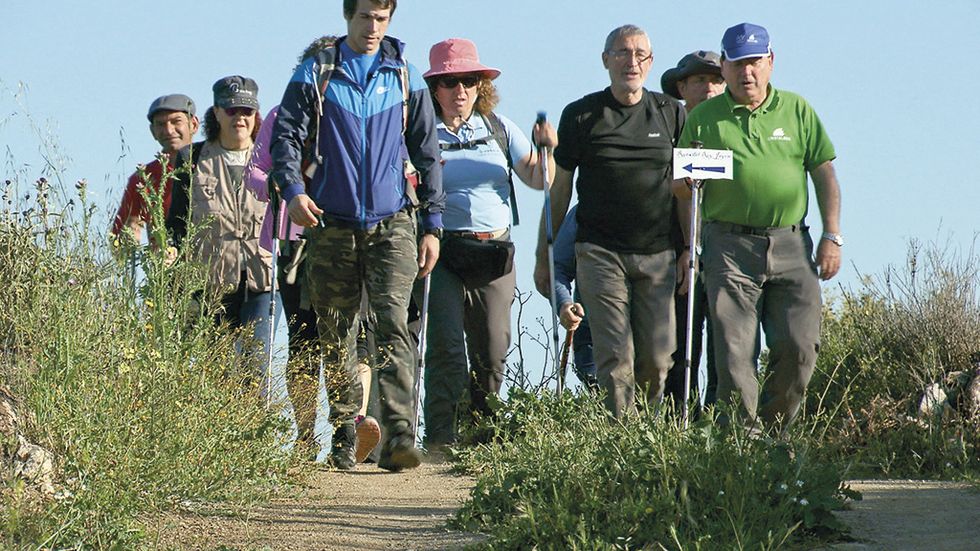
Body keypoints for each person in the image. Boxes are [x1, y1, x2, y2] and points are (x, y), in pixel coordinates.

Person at [270, 0, 444, 472]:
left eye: (382, 18)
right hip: (331, 224)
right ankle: (345, 431)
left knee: (392, 325)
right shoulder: (317, 72)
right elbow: (285, 137)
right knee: (336, 333)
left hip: (393, 223)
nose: (373, 27)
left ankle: (399, 434)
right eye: (365, 16)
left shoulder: (404, 75)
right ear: (348, 16)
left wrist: (433, 225)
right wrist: (292, 191)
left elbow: (427, 154)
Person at [675, 23, 842, 435]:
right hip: (728, 244)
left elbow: (824, 174)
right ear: (725, 66)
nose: (746, 72)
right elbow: (680, 188)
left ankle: (774, 437)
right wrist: (689, 188)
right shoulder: (703, 118)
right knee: (734, 352)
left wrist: (831, 235)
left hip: (791, 242)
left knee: (799, 347)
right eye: (737, 63)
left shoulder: (797, 110)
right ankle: (742, 447)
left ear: (770, 62)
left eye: (754, 62)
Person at [535, 25, 687, 418]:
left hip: (659, 254)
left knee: (656, 360)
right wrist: (544, 254)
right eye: (621, 53)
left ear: (651, 62)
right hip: (599, 253)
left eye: (639, 54)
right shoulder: (582, 114)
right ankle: (621, 447)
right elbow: (559, 189)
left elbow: (687, 190)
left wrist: (689, 249)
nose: (630, 61)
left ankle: (647, 438)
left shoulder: (672, 113)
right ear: (605, 60)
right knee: (615, 355)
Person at [419, 38, 556, 448]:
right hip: (441, 251)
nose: (460, 90)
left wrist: (548, 150)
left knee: (493, 349)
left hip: (493, 252)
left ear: (481, 85)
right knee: (444, 346)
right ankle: (441, 438)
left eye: (469, 80)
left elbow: (538, 179)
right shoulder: (422, 133)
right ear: (435, 88)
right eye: (450, 82)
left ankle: (480, 435)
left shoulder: (499, 127)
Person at [248, 100, 381, 464]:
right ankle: (306, 437)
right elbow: (254, 172)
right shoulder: (282, 115)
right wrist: (283, 186)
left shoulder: (365, 110)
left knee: (354, 336)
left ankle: (349, 431)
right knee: (305, 340)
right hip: (296, 242)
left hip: (354, 237)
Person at [166, 76, 282, 393]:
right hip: (211, 282)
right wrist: (171, 252)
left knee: (255, 369)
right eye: (232, 111)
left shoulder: (273, 157)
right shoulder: (191, 159)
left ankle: (254, 435)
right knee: (218, 373)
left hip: (263, 280)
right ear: (216, 113)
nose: (240, 118)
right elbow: (177, 222)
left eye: (247, 110)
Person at [660, 50, 726, 411]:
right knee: (680, 340)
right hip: (674, 251)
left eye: (717, 79)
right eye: (700, 80)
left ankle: (718, 418)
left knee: (725, 337)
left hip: (726, 247)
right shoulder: (665, 131)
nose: (710, 88)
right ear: (682, 87)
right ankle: (678, 418)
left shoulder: (732, 131)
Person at [112, 94, 199, 244]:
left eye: (176, 121)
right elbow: (120, 237)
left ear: (194, 125)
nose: (169, 130)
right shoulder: (143, 178)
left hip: (214, 262)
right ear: (152, 131)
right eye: (160, 124)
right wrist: (129, 236)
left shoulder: (214, 166)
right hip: (165, 265)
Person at [551, 204, 597, 390]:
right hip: (591, 335)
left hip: (645, 336)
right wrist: (564, 303)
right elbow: (558, 267)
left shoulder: (656, 204)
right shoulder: (584, 212)